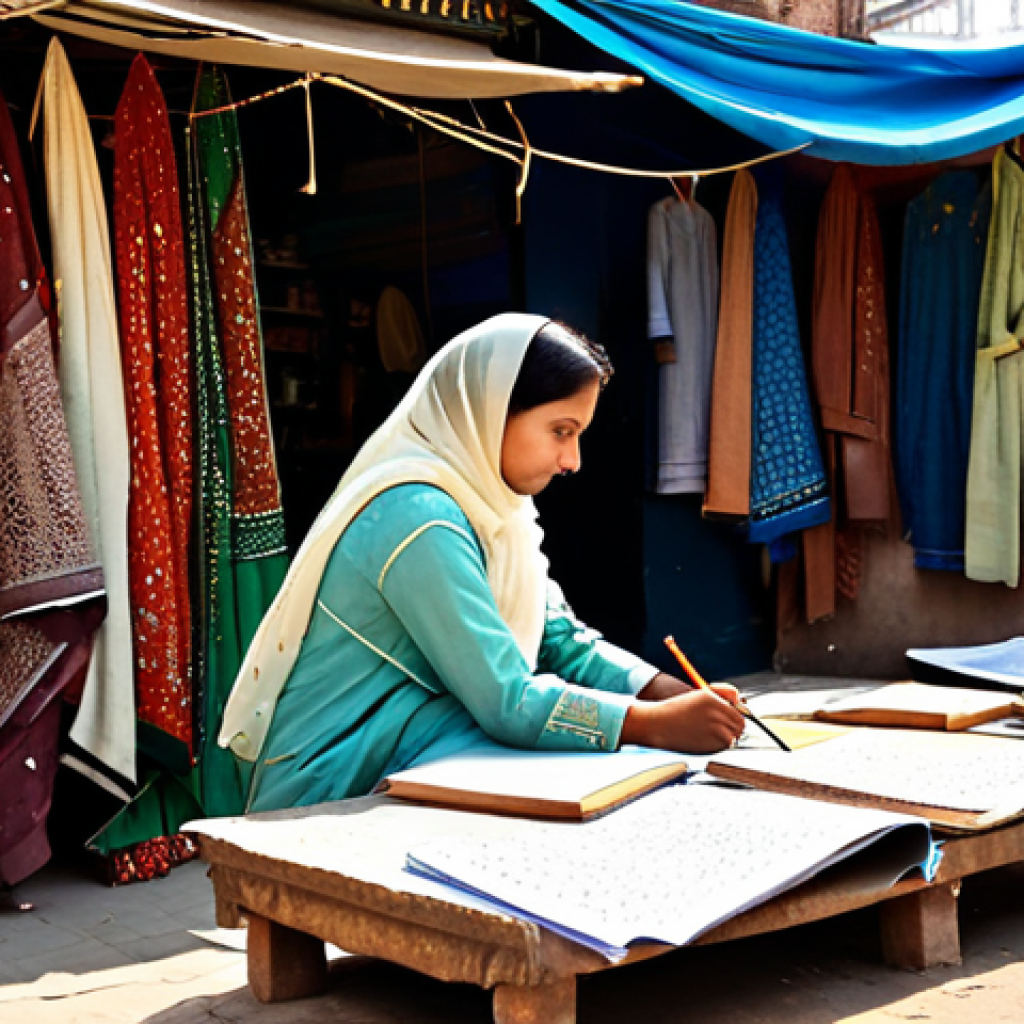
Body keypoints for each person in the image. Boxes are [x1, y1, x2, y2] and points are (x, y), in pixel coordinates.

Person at [220, 314, 746, 812]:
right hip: (330, 775)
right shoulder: (417, 518)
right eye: (561, 431)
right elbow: (504, 699)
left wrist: (670, 693)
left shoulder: (496, 510)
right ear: (490, 411)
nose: (572, 461)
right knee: (575, 758)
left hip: (408, 738)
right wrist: (652, 723)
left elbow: (559, 639)